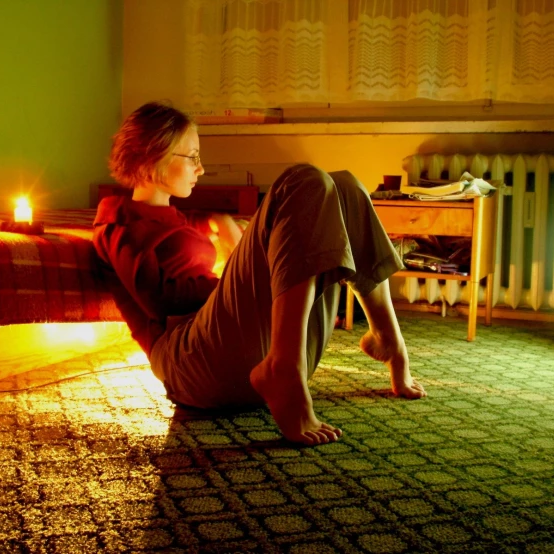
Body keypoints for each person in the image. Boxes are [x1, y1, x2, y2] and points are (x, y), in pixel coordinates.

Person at [93, 102, 426, 446]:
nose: (201, 168)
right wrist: (232, 281)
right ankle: (284, 371)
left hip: (249, 354)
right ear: (151, 160)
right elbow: (161, 299)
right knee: (303, 181)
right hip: (188, 364)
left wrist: (227, 235)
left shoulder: (181, 219)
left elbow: (223, 267)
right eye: (192, 156)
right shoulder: (118, 224)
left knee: (343, 185)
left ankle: (388, 340)